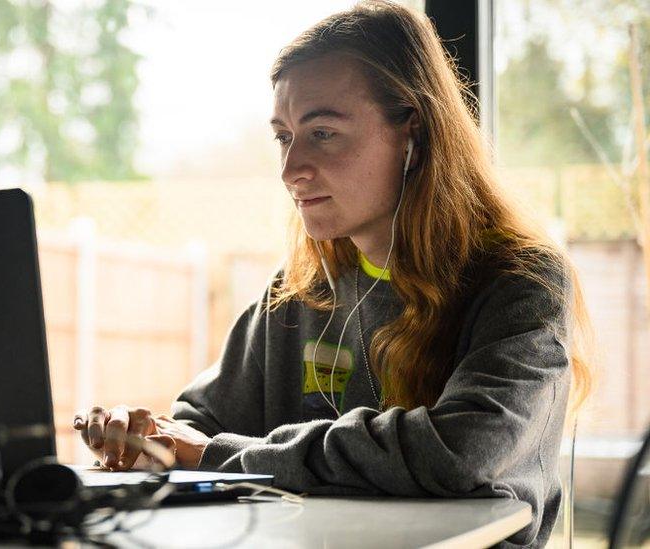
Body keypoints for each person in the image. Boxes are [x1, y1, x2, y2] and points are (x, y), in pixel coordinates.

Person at [72, 1, 594, 547]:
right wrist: (144, 439)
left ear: (412, 133)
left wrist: (216, 453)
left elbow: (464, 451)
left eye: (322, 132)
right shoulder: (300, 288)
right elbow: (198, 424)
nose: (290, 168)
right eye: (283, 135)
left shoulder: (521, 281)